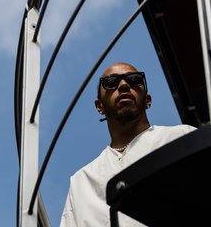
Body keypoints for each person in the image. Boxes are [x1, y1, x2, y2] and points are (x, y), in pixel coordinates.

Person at [59, 62, 196, 226]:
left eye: (134, 80)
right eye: (111, 83)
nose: (124, 85)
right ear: (99, 106)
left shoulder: (182, 138)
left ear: (147, 100)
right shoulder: (81, 182)